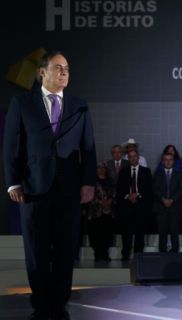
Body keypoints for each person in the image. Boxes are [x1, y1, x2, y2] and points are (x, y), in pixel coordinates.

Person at [3, 51, 96, 320]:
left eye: (67, 68)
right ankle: (41, 302)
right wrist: (12, 183)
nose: (64, 72)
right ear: (42, 72)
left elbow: (88, 148)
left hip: (68, 190)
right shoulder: (22, 103)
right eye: (58, 68)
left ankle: (60, 301)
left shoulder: (80, 106)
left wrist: (88, 182)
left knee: (66, 248)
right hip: (33, 189)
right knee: (37, 249)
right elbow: (11, 148)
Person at [116, 149, 152, 260]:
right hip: (126, 206)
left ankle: (138, 255)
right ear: (128, 159)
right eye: (130, 157)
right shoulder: (123, 171)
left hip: (140, 205)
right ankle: (125, 255)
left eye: (134, 156)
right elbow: (119, 189)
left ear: (138, 157)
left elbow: (149, 189)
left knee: (139, 232)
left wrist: (137, 195)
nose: (133, 158)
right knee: (126, 232)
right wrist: (128, 195)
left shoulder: (146, 171)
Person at [152, 152, 182, 252]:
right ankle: (162, 252)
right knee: (162, 232)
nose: (168, 161)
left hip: (175, 207)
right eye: (165, 159)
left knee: (175, 232)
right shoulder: (157, 174)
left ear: (173, 161)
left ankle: (175, 252)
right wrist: (163, 199)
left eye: (170, 159)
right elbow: (154, 189)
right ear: (162, 161)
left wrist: (172, 200)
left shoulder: (179, 174)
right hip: (161, 207)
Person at [88, 162, 115, 261]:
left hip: (108, 212)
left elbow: (114, 193)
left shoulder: (110, 181)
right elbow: (89, 195)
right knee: (95, 234)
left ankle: (105, 253)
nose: (101, 169)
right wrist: (100, 202)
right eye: (99, 167)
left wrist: (109, 201)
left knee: (106, 234)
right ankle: (97, 254)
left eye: (103, 167)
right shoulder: (91, 181)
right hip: (95, 212)